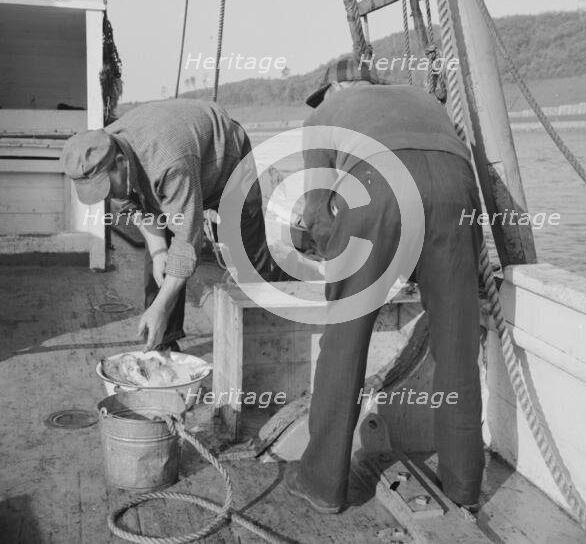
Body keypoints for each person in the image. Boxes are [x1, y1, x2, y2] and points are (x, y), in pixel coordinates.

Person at [284, 58, 484, 513]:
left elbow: (315, 216)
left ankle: (320, 483)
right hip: (457, 191)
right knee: (457, 345)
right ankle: (464, 486)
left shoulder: (322, 117)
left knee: (345, 341)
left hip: (379, 185)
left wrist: (323, 248)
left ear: (332, 89)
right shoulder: (422, 98)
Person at [61, 98, 276, 352]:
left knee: (247, 251)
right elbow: (131, 206)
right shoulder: (102, 147)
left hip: (225, 159)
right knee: (160, 260)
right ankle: (162, 341)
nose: (108, 196)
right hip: (169, 166)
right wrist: (157, 249)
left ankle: (266, 333)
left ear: (120, 162)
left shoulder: (169, 162)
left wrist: (162, 304)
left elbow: (187, 241)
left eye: (106, 187)